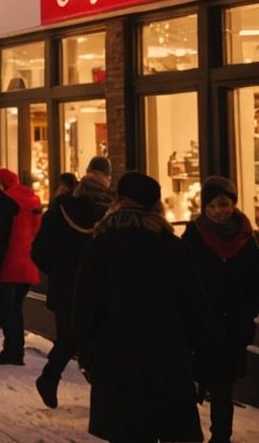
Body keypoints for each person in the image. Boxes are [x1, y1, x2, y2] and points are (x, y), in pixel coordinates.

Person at [74, 172, 204, 443]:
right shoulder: (173, 247)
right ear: (156, 205)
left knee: (128, 432)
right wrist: (195, 354)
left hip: (117, 358)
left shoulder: (101, 246)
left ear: (119, 201)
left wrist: (87, 354)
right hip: (168, 358)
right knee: (170, 429)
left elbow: (86, 306)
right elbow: (194, 306)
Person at [31, 155, 112, 407]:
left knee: (68, 337)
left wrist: (56, 271)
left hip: (65, 286)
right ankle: (101, 394)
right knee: (98, 338)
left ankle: (50, 378)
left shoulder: (61, 207)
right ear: (107, 179)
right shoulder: (111, 210)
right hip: (100, 288)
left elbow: (39, 250)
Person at [183, 176, 259, 443]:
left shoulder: (246, 238)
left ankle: (220, 436)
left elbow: (255, 280)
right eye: (212, 206)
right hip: (202, 323)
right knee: (197, 378)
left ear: (233, 204)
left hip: (233, 325)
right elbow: (184, 277)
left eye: (224, 204)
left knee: (223, 384)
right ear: (204, 208)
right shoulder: (193, 235)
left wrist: (247, 309)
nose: (218, 211)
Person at [0, 167, 42, 365]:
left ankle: (13, 350)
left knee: (5, 310)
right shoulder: (29, 202)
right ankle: (16, 349)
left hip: (8, 263)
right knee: (15, 309)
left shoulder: (4, 203)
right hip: (26, 261)